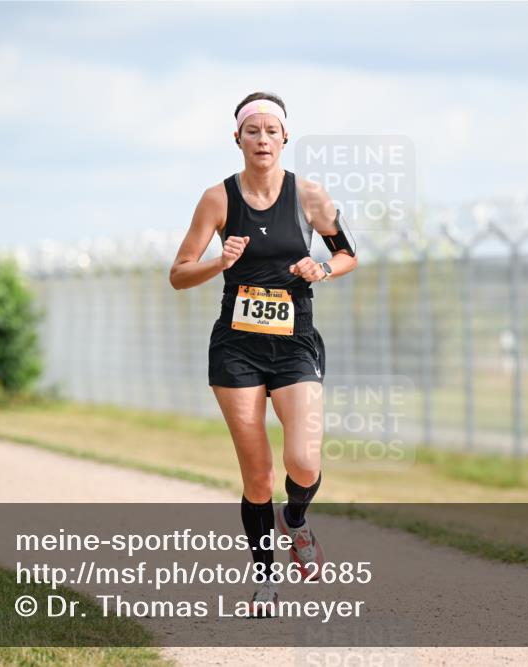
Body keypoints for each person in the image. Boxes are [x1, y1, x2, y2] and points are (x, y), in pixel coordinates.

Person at [169, 92, 358, 616]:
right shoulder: (217, 199)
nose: (262, 139)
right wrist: (219, 261)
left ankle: (295, 522)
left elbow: (346, 254)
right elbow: (179, 274)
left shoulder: (309, 196)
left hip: (295, 341)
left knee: (302, 459)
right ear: (238, 139)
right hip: (237, 347)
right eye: (252, 130)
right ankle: (265, 583)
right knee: (257, 476)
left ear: (284, 138)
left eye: (271, 130)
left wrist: (321, 269)